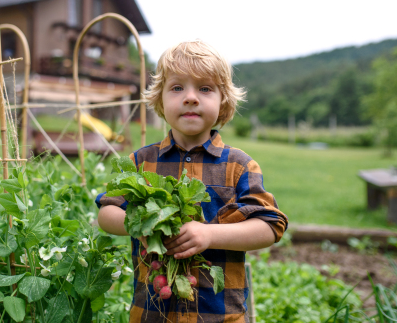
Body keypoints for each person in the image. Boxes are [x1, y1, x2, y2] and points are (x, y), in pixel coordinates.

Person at [96, 40, 288, 323]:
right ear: (160, 99)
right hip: (152, 314)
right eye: (177, 88)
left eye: (205, 88)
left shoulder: (239, 166)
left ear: (223, 100)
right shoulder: (141, 162)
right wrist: (143, 225)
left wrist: (209, 235)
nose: (190, 98)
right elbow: (106, 213)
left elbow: (270, 226)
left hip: (221, 316)